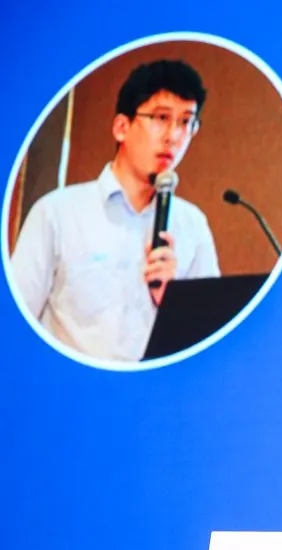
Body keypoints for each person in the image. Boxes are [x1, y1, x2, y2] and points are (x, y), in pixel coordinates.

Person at [10, 59, 220, 363]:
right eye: (161, 118)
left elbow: (209, 346)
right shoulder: (57, 213)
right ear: (122, 127)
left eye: (186, 122)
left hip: (154, 390)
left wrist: (175, 303)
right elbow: (12, 325)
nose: (174, 136)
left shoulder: (193, 226)